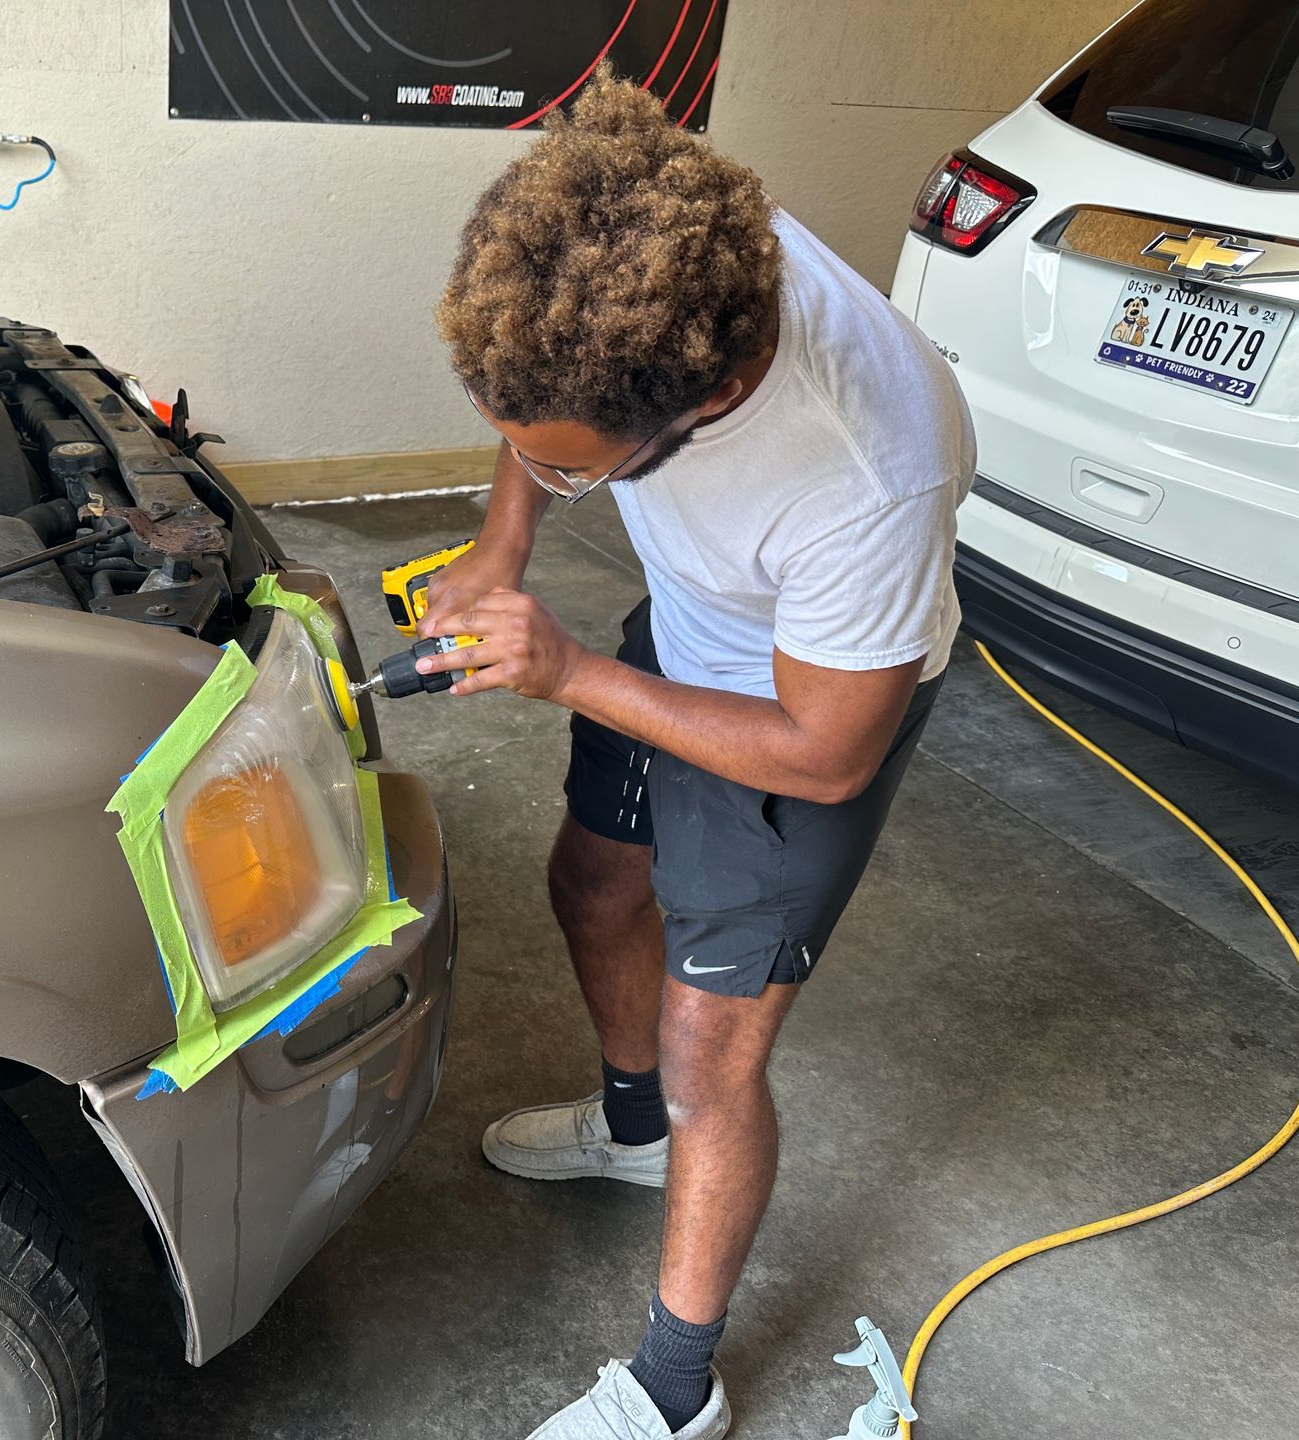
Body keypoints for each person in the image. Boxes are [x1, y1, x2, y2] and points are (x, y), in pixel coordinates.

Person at [419, 69, 973, 1440]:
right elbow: (537, 415)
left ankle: (677, 1390)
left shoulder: (873, 461)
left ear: (714, 395)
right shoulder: (648, 256)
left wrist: (569, 672)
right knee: (596, 885)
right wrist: (502, 542)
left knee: (710, 1053)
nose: (548, 476)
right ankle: (629, 1133)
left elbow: (828, 752)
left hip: (808, 703)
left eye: (581, 469)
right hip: (689, 630)